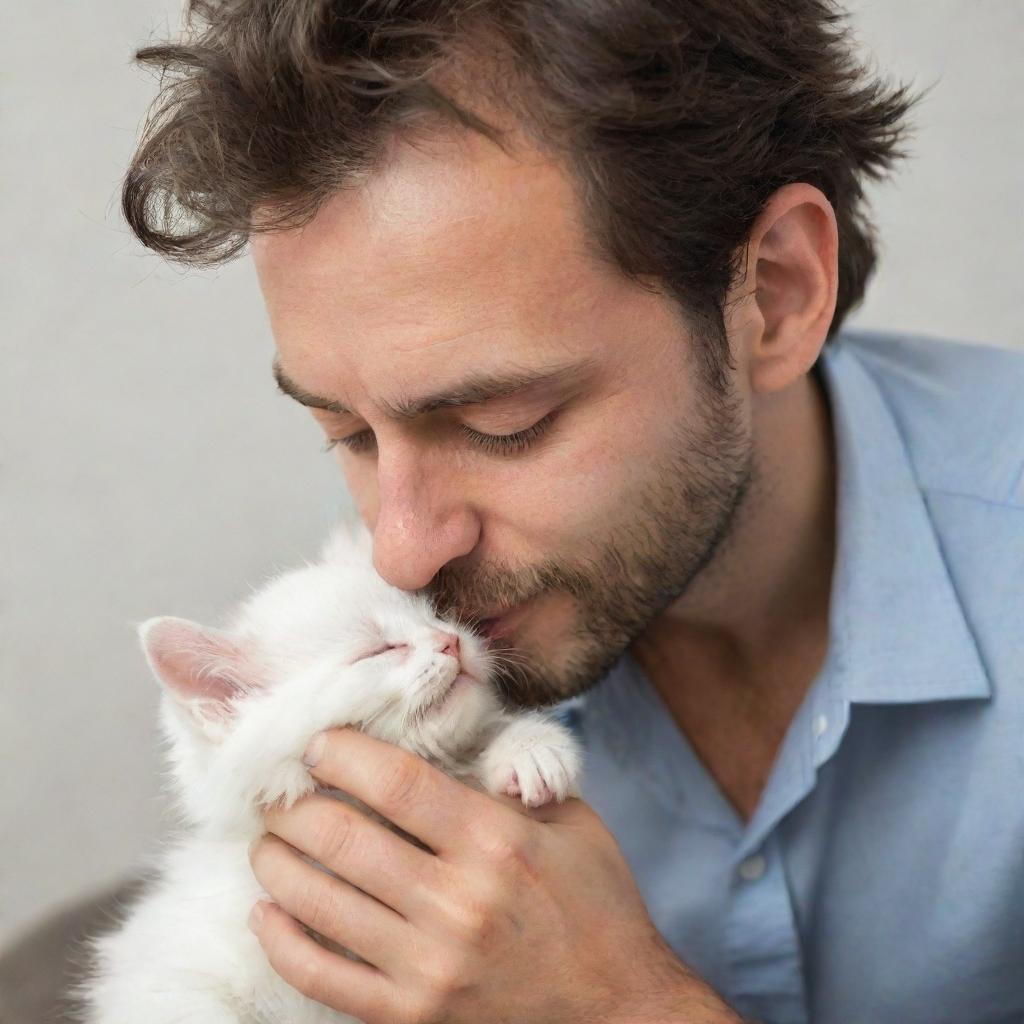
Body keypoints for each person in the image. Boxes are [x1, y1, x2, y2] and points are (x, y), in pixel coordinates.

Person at [12, 2, 1015, 1023]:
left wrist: (628, 1006)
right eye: (347, 434)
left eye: (502, 423)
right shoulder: (418, 658)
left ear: (776, 291)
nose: (401, 549)